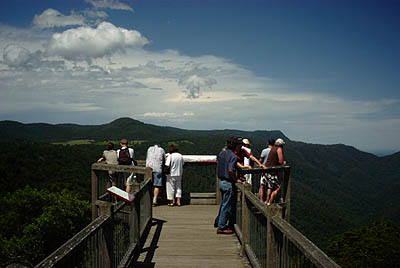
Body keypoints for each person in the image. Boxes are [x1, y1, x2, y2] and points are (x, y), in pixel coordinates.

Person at [215, 137, 241, 234]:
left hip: (221, 181)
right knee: (227, 205)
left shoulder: (222, 153)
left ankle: (218, 221)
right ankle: (221, 227)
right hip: (228, 183)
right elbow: (231, 170)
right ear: (235, 146)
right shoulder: (233, 156)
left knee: (223, 204)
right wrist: (236, 179)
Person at [261, 138, 286, 205]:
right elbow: (281, 161)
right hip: (273, 171)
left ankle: (267, 200)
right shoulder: (279, 149)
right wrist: (283, 162)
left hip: (267, 170)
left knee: (269, 187)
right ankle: (270, 202)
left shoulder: (273, 148)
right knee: (277, 188)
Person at [258, 138, 276, 202]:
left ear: (268, 143)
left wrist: (258, 163)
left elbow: (261, 160)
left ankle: (261, 200)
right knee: (269, 187)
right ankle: (268, 200)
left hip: (264, 170)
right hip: (272, 171)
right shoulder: (275, 151)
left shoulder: (264, 151)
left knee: (262, 185)